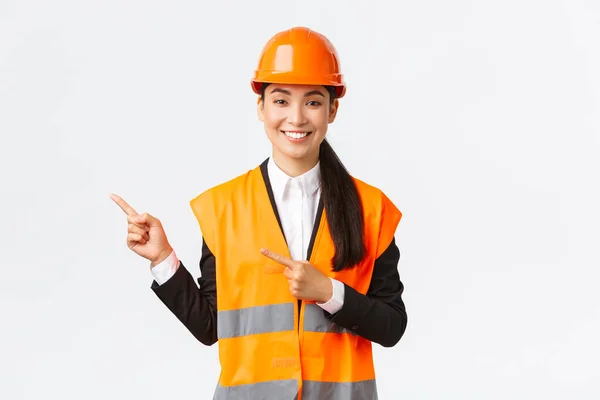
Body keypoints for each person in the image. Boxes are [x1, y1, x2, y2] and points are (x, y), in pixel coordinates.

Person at [111, 26, 408, 400]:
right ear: (261, 107)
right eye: (281, 101)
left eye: (313, 102)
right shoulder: (223, 208)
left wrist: (329, 292)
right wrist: (162, 258)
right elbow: (210, 327)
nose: (296, 118)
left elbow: (392, 326)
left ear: (333, 109)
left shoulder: (370, 209)